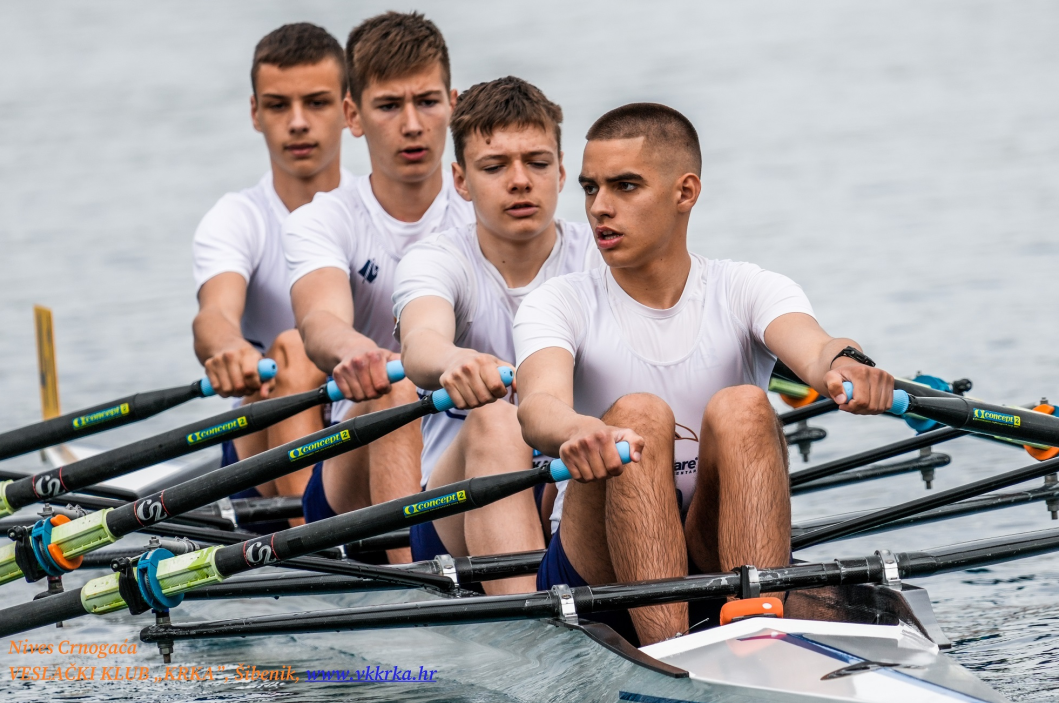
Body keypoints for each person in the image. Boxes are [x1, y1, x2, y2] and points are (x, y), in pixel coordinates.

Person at [513, 103, 896, 645]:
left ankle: (760, 630)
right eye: (590, 188)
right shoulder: (558, 302)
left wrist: (845, 364)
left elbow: (815, 346)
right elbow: (538, 405)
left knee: (744, 405)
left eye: (625, 187)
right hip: (598, 573)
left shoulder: (746, 287)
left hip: (719, 546)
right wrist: (577, 430)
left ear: (685, 192)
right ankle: (673, 655)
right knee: (636, 416)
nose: (600, 208)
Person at [392, 76, 596, 593]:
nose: (521, 180)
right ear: (460, 180)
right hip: (453, 514)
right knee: (495, 419)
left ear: (562, 170)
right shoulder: (436, 260)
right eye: (495, 166)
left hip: (571, 483)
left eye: (537, 162)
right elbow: (420, 341)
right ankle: (533, 633)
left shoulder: (600, 257)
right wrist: (452, 361)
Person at [284, 12, 473, 562]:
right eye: (389, 106)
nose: (412, 125)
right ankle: (417, 587)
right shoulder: (324, 219)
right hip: (355, 464)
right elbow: (320, 322)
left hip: (468, 446)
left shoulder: (493, 211)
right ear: (353, 116)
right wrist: (356, 352)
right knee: (396, 388)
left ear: (453, 105)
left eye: (428, 102)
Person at [191, 23, 353, 524]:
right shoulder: (236, 217)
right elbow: (215, 313)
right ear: (255, 114)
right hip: (263, 434)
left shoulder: (370, 209)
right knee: (292, 348)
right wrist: (229, 349)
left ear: (349, 109)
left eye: (317, 103)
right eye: (279, 105)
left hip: (359, 422)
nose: (298, 123)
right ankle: (319, 539)